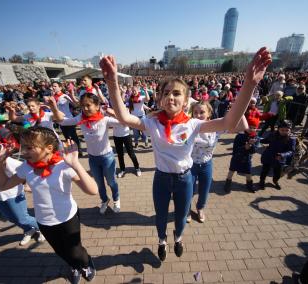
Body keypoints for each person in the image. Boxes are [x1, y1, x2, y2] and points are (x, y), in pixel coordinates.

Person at [100, 47, 271, 261]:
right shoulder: (152, 122)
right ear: (160, 99)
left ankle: (178, 238)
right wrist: (112, 83)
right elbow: (124, 118)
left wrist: (250, 84)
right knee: (161, 217)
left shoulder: (194, 124)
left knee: (181, 217)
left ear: (186, 100)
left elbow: (229, 122)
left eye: (176, 93)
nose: (170, 96)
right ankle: (162, 241)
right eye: (166, 93)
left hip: (185, 179)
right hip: (161, 179)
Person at [0, 127, 98, 283]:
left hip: (67, 218)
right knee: (60, 251)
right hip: (44, 220)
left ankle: (85, 263)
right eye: (23, 147)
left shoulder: (64, 166)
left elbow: (93, 191)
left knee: (76, 251)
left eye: (30, 147)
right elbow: (3, 185)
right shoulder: (26, 168)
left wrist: (76, 164)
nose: (24, 152)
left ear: (49, 148)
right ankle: (74, 266)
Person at [57, 93, 122, 215]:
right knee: (99, 184)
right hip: (93, 158)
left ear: (97, 106)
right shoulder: (80, 119)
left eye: (88, 105)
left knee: (111, 181)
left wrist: (114, 113)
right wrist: (54, 108)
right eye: (83, 106)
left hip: (107, 157)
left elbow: (123, 123)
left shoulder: (104, 120)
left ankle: (116, 199)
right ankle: (104, 200)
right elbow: (63, 122)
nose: (85, 109)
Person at [188, 101, 220, 223]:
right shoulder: (189, 127)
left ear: (209, 113)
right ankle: (186, 209)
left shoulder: (216, 127)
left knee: (204, 190)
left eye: (202, 112)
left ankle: (200, 208)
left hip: (206, 164)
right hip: (190, 165)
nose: (198, 115)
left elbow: (240, 125)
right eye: (195, 112)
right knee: (188, 190)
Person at [224, 117, 259, 193]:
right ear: (245, 127)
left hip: (247, 159)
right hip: (236, 158)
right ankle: (227, 183)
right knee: (231, 171)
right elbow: (235, 150)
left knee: (248, 173)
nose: (252, 129)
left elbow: (254, 150)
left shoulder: (256, 138)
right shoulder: (239, 136)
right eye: (250, 127)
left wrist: (251, 145)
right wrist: (244, 147)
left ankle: (249, 185)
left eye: (254, 128)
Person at [259, 120, 296, 190]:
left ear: (290, 130)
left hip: (279, 159)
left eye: (287, 130)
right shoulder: (273, 134)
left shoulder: (291, 138)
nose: (284, 132)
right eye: (282, 130)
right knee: (265, 170)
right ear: (278, 129)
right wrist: (258, 139)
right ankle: (261, 181)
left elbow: (291, 151)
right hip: (269, 156)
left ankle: (275, 181)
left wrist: (282, 155)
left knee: (277, 173)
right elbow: (266, 140)